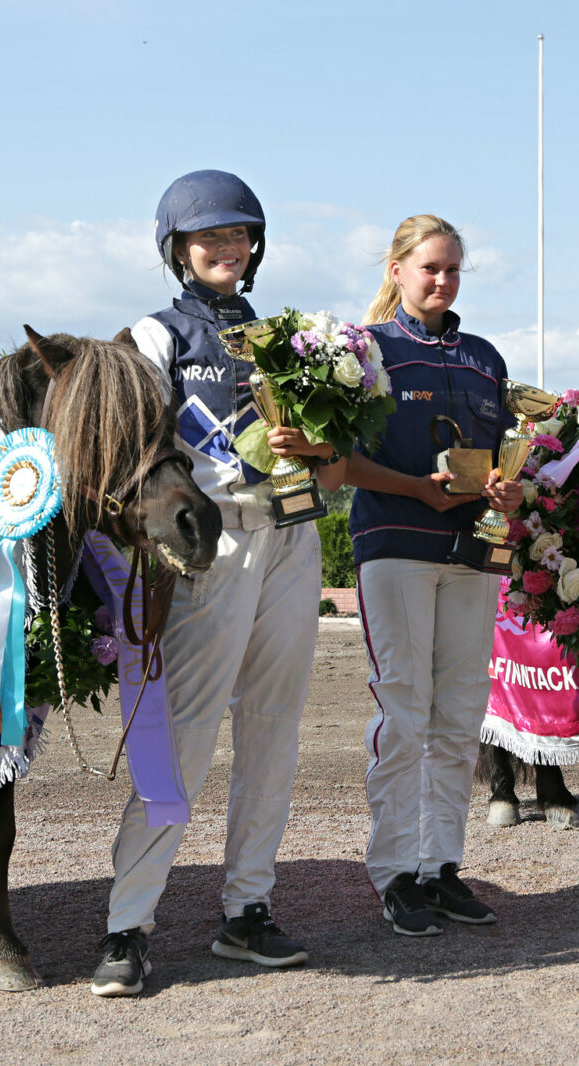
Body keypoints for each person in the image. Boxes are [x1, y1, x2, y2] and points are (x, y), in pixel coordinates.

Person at [90, 170, 345, 997]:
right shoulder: (155, 335)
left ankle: (248, 910)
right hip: (215, 542)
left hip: (291, 537)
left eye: (239, 236)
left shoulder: (287, 339)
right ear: (178, 249)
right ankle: (128, 926)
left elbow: (329, 453)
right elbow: (134, 446)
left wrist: (315, 450)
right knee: (189, 735)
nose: (227, 248)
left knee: (273, 731)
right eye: (210, 238)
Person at [344, 214, 523, 936]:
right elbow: (337, 463)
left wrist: (512, 489)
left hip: (471, 554)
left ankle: (441, 866)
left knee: (459, 716)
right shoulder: (365, 352)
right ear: (398, 271)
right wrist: (416, 487)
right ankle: (394, 873)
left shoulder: (484, 358)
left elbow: (508, 454)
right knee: (405, 711)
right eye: (430, 268)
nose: (443, 280)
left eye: (452, 269)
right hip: (396, 543)